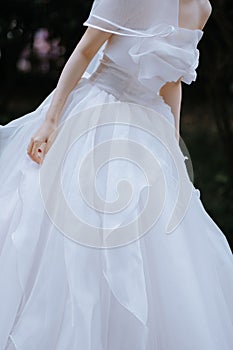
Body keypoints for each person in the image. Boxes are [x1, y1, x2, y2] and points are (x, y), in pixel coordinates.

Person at [0, 0, 233, 349]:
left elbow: (173, 79)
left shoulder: (201, 7)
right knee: (71, 236)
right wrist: (50, 120)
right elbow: (84, 52)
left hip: (149, 128)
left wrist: (173, 146)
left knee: (153, 246)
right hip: (97, 115)